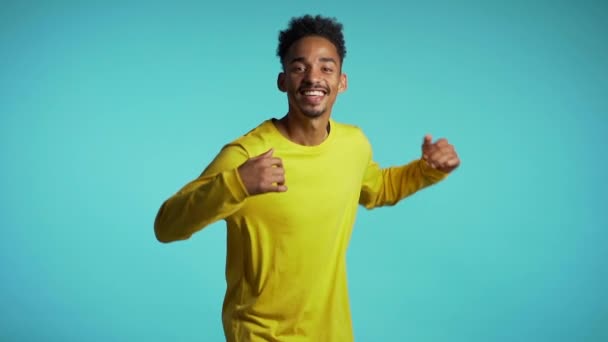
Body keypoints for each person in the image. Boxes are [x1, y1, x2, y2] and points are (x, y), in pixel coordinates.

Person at [154, 14, 460, 342]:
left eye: (326, 68)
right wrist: (237, 184)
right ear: (283, 80)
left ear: (342, 81)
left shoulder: (353, 144)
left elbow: (377, 188)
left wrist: (427, 170)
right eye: (299, 67)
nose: (313, 78)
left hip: (333, 333)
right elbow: (167, 226)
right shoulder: (246, 156)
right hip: (260, 335)